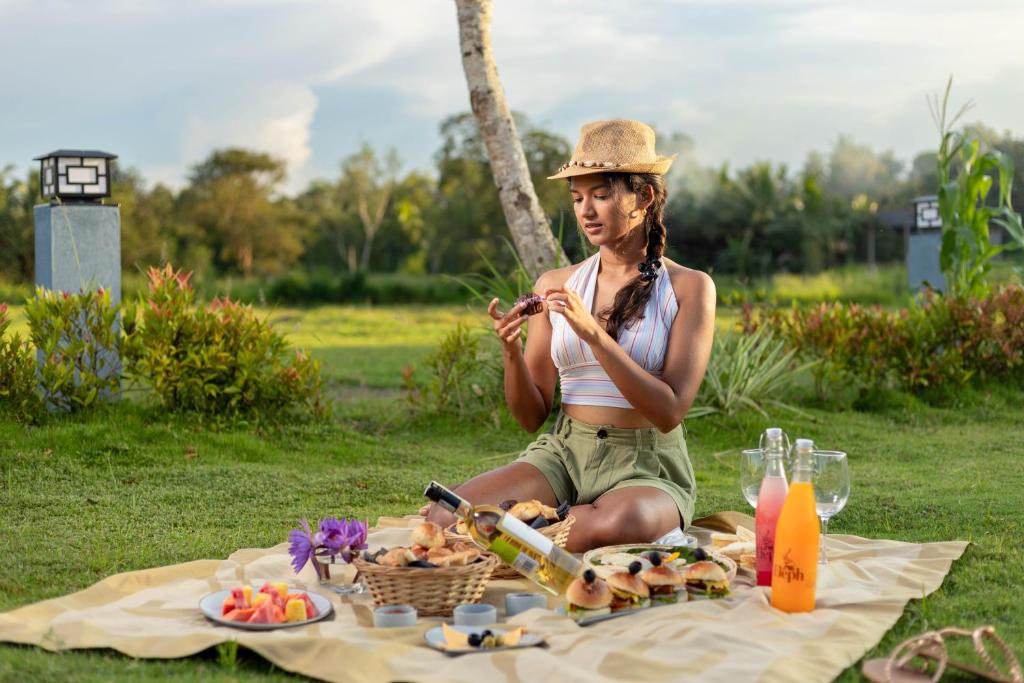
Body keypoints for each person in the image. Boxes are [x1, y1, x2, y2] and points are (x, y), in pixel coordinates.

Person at [421, 119, 716, 553]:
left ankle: (526, 532)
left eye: (600, 195)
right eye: (578, 198)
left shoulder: (690, 287)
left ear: (644, 197)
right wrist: (510, 352)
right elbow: (530, 416)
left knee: (624, 519)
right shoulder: (555, 284)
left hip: (645, 464)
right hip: (563, 454)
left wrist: (595, 335)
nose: (586, 211)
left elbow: (669, 411)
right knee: (449, 511)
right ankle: (543, 530)